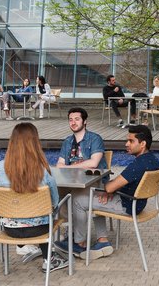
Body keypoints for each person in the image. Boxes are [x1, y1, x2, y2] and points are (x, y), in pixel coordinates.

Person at [63, 125, 159, 261]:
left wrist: (109, 189)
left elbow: (109, 187)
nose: (126, 144)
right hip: (137, 201)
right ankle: (102, 241)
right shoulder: (152, 159)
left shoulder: (138, 165)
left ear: (142, 144)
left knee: (78, 199)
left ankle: (79, 244)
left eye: (131, 141)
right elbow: (118, 184)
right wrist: (110, 189)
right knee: (96, 195)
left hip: (127, 204)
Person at [0, 123, 68, 272]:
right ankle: (49, 259)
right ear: (35, 143)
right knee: (49, 212)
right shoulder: (42, 170)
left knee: (40, 212)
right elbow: (54, 201)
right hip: (39, 229)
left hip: (10, 229)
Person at [53, 107, 108, 256]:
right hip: (72, 181)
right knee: (56, 194)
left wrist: (69, 166)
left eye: (77, 119)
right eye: (70, 119)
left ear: (85, 121)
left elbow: (94, 163)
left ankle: (79, 242)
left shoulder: (94, 138)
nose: (73, 122)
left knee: (78, 198)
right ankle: (70, 232)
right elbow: (59, 165)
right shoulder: (67, 141)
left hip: (94, 182)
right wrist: (70, 166)